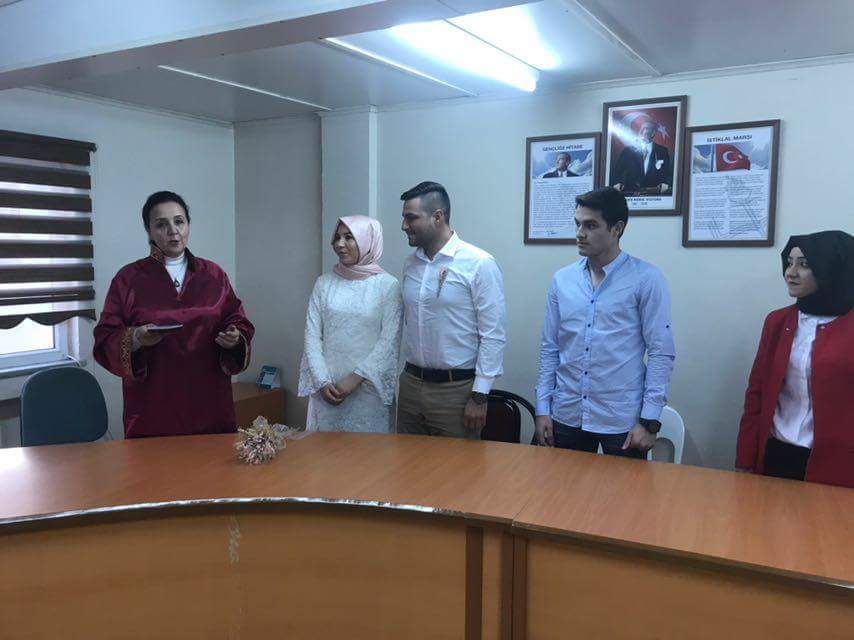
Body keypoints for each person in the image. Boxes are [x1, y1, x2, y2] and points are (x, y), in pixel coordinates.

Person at [94, 191, 254, 438]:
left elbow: (237, 319)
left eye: (179, 221)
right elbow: (106, 336)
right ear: (148, 230)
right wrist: (135, 338)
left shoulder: (213, 275)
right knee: (156, 463)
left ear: (188, 224)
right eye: (161, 224)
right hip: (154, 407)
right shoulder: (128, 279)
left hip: (210, 404)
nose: (173, 230)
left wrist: (235, 337)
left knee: (214, 463)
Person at [535, 187, 675, 456]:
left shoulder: (646, 279)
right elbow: (550, 347)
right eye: (577, 224)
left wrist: (649, 420)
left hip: (621, 419)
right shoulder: (562, 280)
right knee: (560, 484)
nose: (579, 233)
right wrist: (542, 408)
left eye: (590, 225)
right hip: (567, 412)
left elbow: (661, 351)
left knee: (624, 486)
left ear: (616, 229)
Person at [736, 231, 854, 487]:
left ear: (831, 269)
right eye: (789, 263)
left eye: (804, 264)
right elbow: (756, 394)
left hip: (838, 464)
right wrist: (745, 458)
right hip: (777, 453)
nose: (791, 273)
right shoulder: (778, 322)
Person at [397, 181, 506, 439]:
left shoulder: (479, 263)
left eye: (411, 218)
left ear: (437, 217)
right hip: (411, 385)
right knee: (406, 462)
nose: (403, 226)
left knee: (457, 465)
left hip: (455, 391)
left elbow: (493, 334)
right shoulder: (411, 265)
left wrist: (480, 396)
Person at [298, 216, 402, 432]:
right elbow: (312, 335)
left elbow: (389, 341)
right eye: (337, 237)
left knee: (368, 453)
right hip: (328, 390)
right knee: (325, 452)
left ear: (368, 241)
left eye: (349, 237)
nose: (340, 244)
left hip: (369, 391)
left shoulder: (387, 286)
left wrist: (355, 378)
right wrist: (321, 381)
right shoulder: (324, 283)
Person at [611, 120, 672, 195]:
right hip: (631, 192)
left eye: (646, 128)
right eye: (641, 128)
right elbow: (618, 170)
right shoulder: (628, 150)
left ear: (653, 133)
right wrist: (618, 183)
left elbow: (667, 172)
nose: (641, 131)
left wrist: (666, 183)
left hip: (654, 193)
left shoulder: (662, 151)